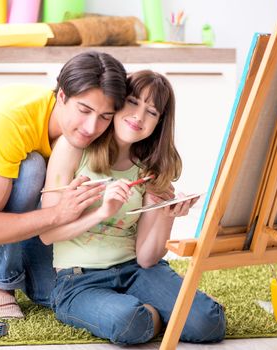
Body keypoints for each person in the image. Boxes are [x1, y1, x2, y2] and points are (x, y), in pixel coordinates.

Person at [0, 51, 127, 319]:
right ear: (61, 96)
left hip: (11, 200)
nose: (91, 127)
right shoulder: (12, 123)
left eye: (105, 116)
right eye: (84, 110)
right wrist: (57, 214)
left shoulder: (94, 128)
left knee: (52, 293)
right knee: (30, 168)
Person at [39, 70, 226, 345]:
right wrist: (102, 212)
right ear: (115, 103)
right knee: (128, 323)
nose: (139, 117)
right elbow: (47, 234)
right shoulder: (74, 147)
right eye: (132, 102)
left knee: (209, 324)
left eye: (151, 112)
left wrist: (167, 214)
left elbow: (147, 258)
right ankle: (153, 311)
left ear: (159, 122)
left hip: (137, 270)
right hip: (78, 280)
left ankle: (152, 307)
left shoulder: (151, 168)